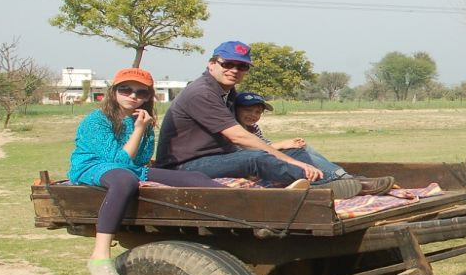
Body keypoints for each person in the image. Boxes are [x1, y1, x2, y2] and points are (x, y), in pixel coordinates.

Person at [155, 41, 391, 199]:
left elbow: (245, 130)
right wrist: (282, 157)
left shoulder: (227, 91)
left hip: (218, 157)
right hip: (186, 165)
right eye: (228, 64)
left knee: (297, 151)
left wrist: (289, 154)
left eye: (242, 66)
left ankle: (347, 181)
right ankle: (324, 188)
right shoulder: (201, 92)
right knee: (257, 158)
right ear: (212, 64)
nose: (234, 70)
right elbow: (237, 136)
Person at [69, 67, 224, 275]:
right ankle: (100, 256)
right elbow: (117, 161)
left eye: (141, 93)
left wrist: (142, 128)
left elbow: (140, 159)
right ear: (114, 92)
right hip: (93, 166)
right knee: (124, 180)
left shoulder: (142, 120)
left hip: (130, 168)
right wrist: (139, 130)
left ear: (148, 97)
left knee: (195, 177)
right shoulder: (97, 120)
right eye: (126, 89)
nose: (133, 96)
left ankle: (246, 208)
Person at [232, 91, 385, 191]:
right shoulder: (233, 128)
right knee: (296, 151)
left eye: (257, 112)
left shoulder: (254, 128)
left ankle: (341, 176)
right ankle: (325, 180)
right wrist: (282, 145)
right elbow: (248, 152)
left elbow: (265, 145)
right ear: (236, 110)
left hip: (264, 161)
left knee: (303, 148)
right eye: (247, 110)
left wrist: (286, 144)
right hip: (254, 167)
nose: (253, 115)